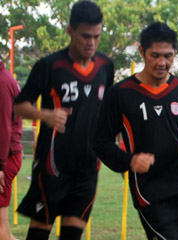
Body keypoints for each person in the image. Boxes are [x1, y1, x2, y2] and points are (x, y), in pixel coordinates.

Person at [94, 22, 178, 240]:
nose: (162, 62)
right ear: (141, 51)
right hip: (150, 193)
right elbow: (100, 141)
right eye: (155, 55)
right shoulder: (120, 94)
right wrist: (130, 160)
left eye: (168, 56)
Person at [13, 1, 114, 239]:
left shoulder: (105, 66)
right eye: (85, 36)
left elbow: (108, 108)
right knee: (39, 233)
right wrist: (44, 115)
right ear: (70, 31)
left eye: (96, 36)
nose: (91, 43)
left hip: (88, 166)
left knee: (72, 235)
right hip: (53, 165)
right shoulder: (49, 66)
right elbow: (19, 106)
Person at [0, 59, 23, 240]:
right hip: (6, 157)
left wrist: (0, 166)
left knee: (2, 231)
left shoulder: (2, 82)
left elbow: (3, 127)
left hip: (5, 159)